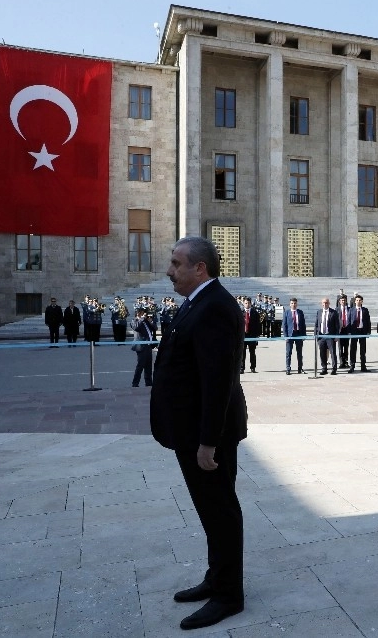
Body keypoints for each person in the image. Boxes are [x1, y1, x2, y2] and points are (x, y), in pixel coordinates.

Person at [150, 236, 247, 631]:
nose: (169, 270)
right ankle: (216, 577)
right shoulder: (199, 303)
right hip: (193, 432)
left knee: (221, 510)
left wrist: (208, 441)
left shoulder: (216, 308)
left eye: (176, 263)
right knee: (211, 510)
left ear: (199, 268)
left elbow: (218, 380)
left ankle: (228, 595)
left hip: (209, 437)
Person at [130, 307, 156, 387]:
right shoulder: (135, 321)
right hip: (141, 346)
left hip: (148, 345)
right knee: (140, 365)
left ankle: (148, 383)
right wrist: (141, 319)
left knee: (148, 365)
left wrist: (150, 321)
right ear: (138, 313)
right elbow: (136, 328)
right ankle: (135, 383)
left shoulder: (146, 321)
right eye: (142, 312)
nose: (144, 314)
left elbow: (155, 328)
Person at [316, 297, 340, 375]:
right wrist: (316, 335)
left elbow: (337, 325)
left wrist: (337, 336)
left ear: (329, 303)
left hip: (330, 336)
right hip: (321, 336)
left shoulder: (334, 312)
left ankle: (334, 369)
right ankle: (324, 368)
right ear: (321, 304)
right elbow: (317, 325)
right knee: (322, 353)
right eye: (323, 303)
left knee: (333, 353)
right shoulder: (319, 312)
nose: (325, 304)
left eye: (326, 302)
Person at [282, 298, 306, 375]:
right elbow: (284, 325)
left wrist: (303, 335)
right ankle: (288, 368)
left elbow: (303, 324)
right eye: (292, 303)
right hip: (290, 335)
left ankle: (300, 368)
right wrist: (285, 336)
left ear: (297, 304)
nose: (294, 305)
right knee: (288, 353)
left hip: (298, 334)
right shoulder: (286, 313)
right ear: (290, 304)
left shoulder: (300, 312)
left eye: (295, 303)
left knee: (299, 353)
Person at [348, 295, 371, 373]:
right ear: (355, 301)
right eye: (357, 300)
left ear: (362, 301)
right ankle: (352, 366)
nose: (358, 301)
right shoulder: (351, 310)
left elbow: (368, 321)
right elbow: (349, 321)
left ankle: (363, 366)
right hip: (354, 332)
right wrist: (349, 331)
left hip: (362, 331)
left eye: (360, 300)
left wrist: (368, 331)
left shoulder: (365, 310)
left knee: (363, 350)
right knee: (353, 349)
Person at [241, 297, 262, 374]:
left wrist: (257, 336)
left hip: (252, 336)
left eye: (249, 303)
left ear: (251, 303)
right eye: (246, 303)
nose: (247, 305)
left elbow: (258, 325)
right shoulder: (240, 312)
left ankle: (253, 367)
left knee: (252, 352)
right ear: (243, 303)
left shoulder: (255, 313)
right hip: (243, 336)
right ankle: (242, 368)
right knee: (242, 353)